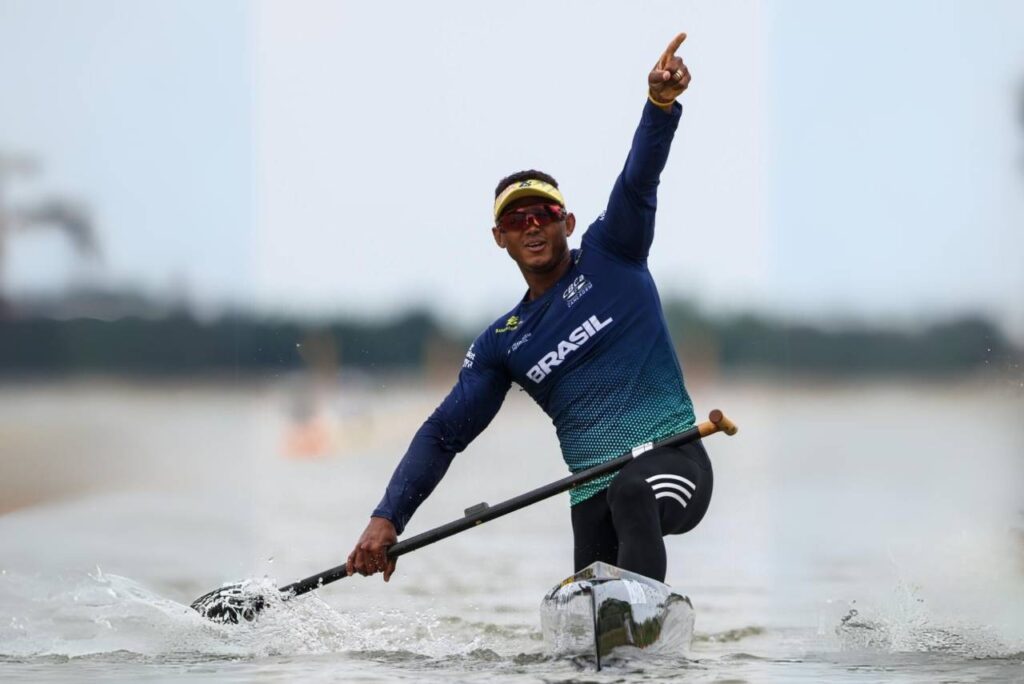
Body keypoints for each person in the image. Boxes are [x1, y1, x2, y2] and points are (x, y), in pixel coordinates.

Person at [346, 33, 711, 584]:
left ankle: (644, 640)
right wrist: (386, 518)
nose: (532, 225)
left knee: (633, 490)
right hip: (590, 489)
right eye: (517, 220)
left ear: (567, 222)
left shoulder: (615, 253)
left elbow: (640, 179)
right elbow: (445, 433)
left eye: (543, 213)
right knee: (583, 607)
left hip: (672, 460)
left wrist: (659, 107)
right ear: (500, 238)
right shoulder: (504, 342)